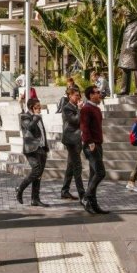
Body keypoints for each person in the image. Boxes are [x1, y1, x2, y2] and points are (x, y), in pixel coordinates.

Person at [80, 86, 110, 214]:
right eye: (97, 93)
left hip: (98, 144)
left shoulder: (96, 108)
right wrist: (90, 142)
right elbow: (84, 127)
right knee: (100, 173)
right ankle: (86, 197)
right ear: (91, 95)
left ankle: (93, 204)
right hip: (91, 145)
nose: (100, 94)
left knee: (94, 175)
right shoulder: (86, 109)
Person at [15, 98, 49, 207]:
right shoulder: (25, 116)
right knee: (36, 170)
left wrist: (46, 146)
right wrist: (35, 118)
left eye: (40, 107)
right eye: (37, 107)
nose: (39, 109)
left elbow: (41, 132)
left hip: (42, 148)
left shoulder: (38, 116)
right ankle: (20, 189)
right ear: (31, 108)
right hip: (31, 149)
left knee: (39, 175)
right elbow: (29, 127)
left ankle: (35, 199)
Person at [60, 87, 85, 201]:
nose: (78, 97)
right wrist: (80, 109)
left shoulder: (77, 107)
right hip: (71, 140)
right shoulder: (66, 108)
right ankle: (82, 194)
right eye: (76, 95)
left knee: (71, 166)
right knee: (77, 166)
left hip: (78, 139)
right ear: (70, 96)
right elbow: (75, 121)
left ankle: (64, 191)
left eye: (79, 95)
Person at [118, 21, 137, 95]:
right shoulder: (127, 26)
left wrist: (133, 45)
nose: (127, 17)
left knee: (136, 70)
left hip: (133, 51)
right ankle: (124, 90)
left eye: (129, 15)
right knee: (125, 69)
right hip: (125, 51)